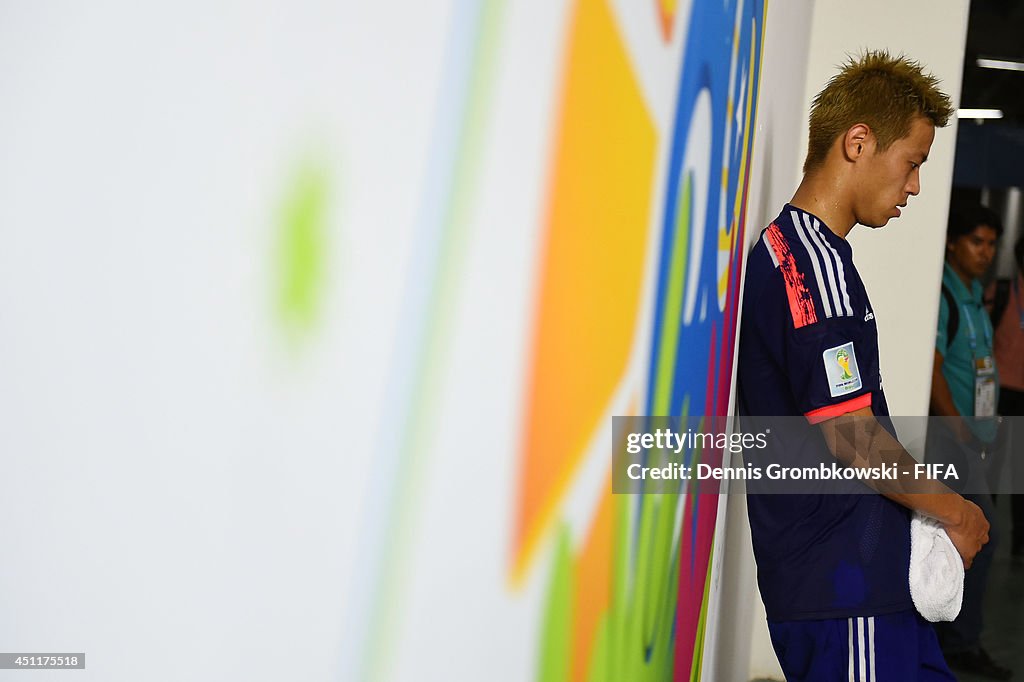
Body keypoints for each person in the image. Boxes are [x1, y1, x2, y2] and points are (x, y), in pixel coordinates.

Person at [737, 51, 990, 681]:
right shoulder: (810, 264)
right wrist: (957, 511)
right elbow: (853, 435)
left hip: (863, 583)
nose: (915, 187)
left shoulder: (817, 257)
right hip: (844, 591)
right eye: (912, 163)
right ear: (858, 142)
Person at [926, 202, 1011, 679]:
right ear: (954, 242)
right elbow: (936, 367)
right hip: (951, 439)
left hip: (978, 437)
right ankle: (960, 642)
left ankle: (951, 635)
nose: (985, 252)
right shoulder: (943, 294)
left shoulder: (975, 294)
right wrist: (957, 426)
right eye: (977, 241)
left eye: (991, 243)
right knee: (983, 532)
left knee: (966, 536)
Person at [987, 235, 1024, 559]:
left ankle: (1019, 541)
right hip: (1000, 393)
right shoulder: (1000, 291)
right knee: (995, 464)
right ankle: (989, 529)